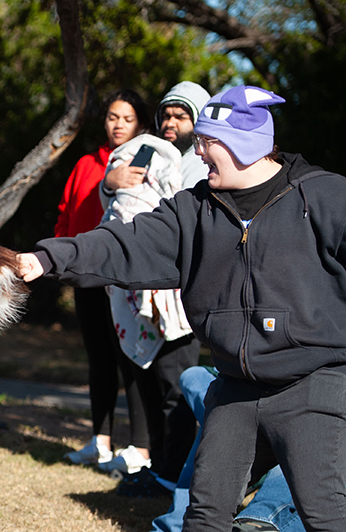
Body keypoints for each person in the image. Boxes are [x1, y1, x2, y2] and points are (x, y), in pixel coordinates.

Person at [17, 84, 346, 531]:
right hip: (235, 388)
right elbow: (124, 243)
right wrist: (46, 258)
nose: (198, 151)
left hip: (313, 384)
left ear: (242, 145)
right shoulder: (193, 210)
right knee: (203, 516)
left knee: (327, 516)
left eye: (207, 142)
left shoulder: (324, 197)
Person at [99, 82, 211, 493]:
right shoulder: (149, 152)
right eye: (166, 115)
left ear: (197, 123)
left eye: (180, 117)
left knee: (175, 385)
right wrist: (111, 182)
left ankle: (171, 473)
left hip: (179, 292)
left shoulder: (204, 163)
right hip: (139, 286)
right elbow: (117, 200)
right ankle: (158, 465)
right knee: (148, 381)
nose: (170, 123)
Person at [55, 89, 151, 472]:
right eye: (112, 117)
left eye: (126, 119)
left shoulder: (144, 161)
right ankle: (101, 441)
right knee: (98, 360)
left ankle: (140, 448)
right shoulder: (86, 163)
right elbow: (66, 211)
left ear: (140, 124)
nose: (118, 125)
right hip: (86, 274)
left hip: (123, 277)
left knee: (130, 359)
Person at [152, 366, 304, 532]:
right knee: (195, 378)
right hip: (247, 389)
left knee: (223, 421)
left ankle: (257, 520)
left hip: (300, 404)